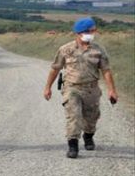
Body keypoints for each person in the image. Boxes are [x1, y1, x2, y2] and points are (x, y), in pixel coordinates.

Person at [43, 17, 118, 159]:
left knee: (92, 117)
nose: (92, 33)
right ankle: (73, 145)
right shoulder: (65, 49)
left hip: (91, 89)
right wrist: (48, 87)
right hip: (72, 88)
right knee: (74, 116)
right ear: (79, 32)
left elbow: (106, 70)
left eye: (93, 30)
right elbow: (55, 69)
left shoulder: (98, 50)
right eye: (89, 31)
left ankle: (88, 136)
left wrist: (112, 90)